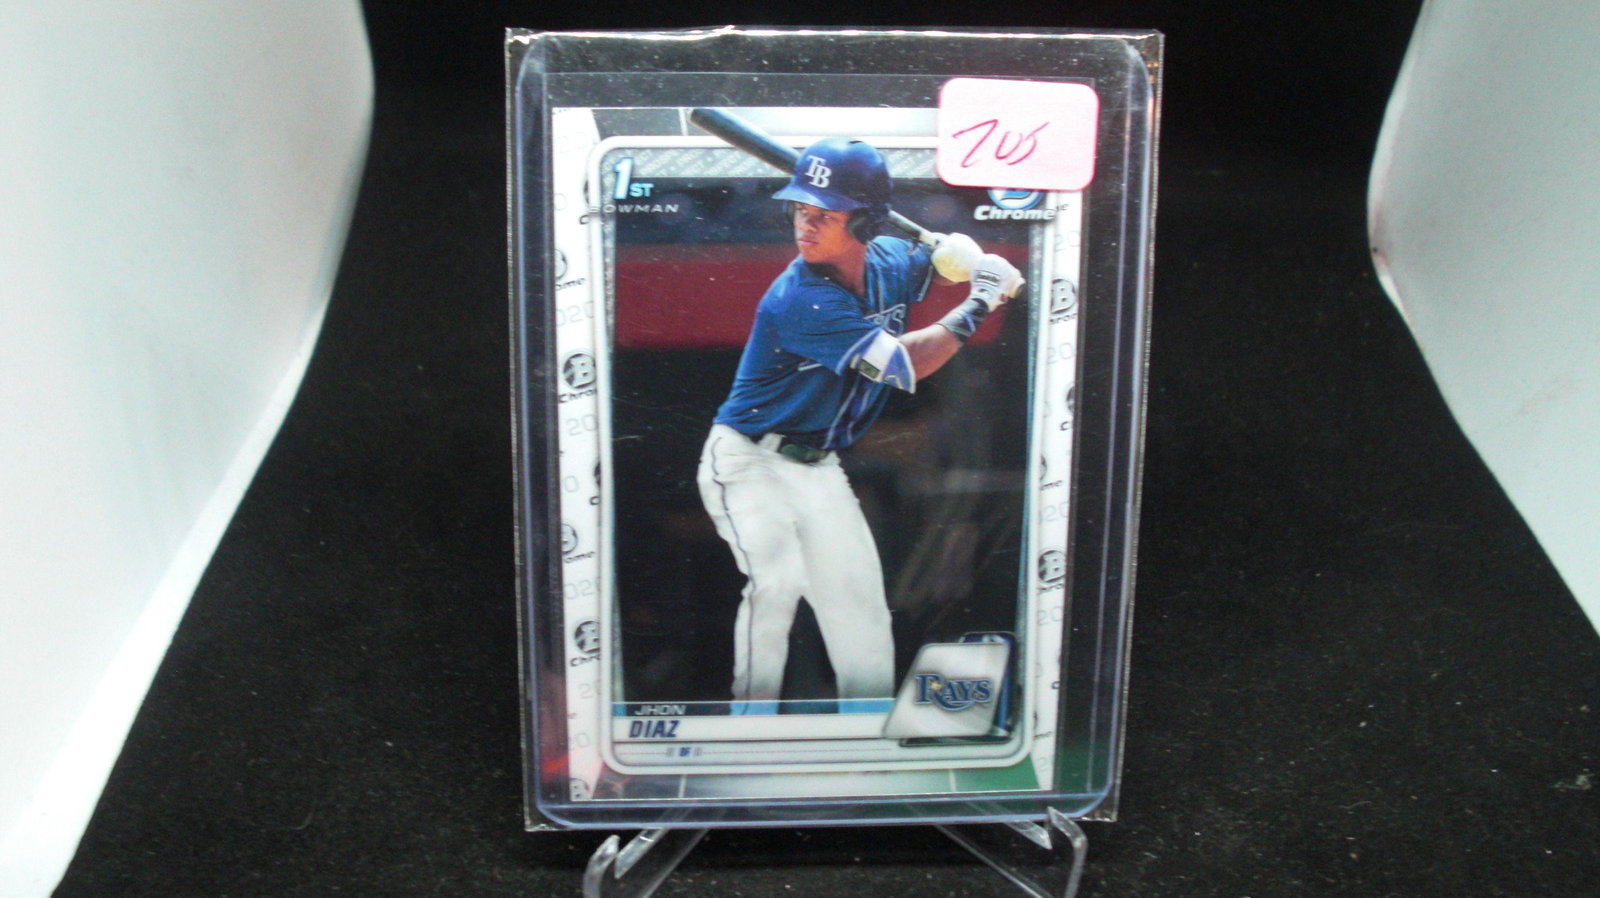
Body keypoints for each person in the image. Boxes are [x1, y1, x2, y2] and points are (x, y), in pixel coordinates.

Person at [696, 136, 1021, 711]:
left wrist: (960, 259)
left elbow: (932, 267)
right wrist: (980, 301)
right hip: (747, 459)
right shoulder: (801, 298)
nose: (806, 224)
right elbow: (906, 364)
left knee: (861, 607)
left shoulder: (889, 259)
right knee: (777, 585)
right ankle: (748, 724)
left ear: (868, 224)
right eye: (801, 209)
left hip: (818, 467)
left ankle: (867, 726)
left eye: (824, 214)